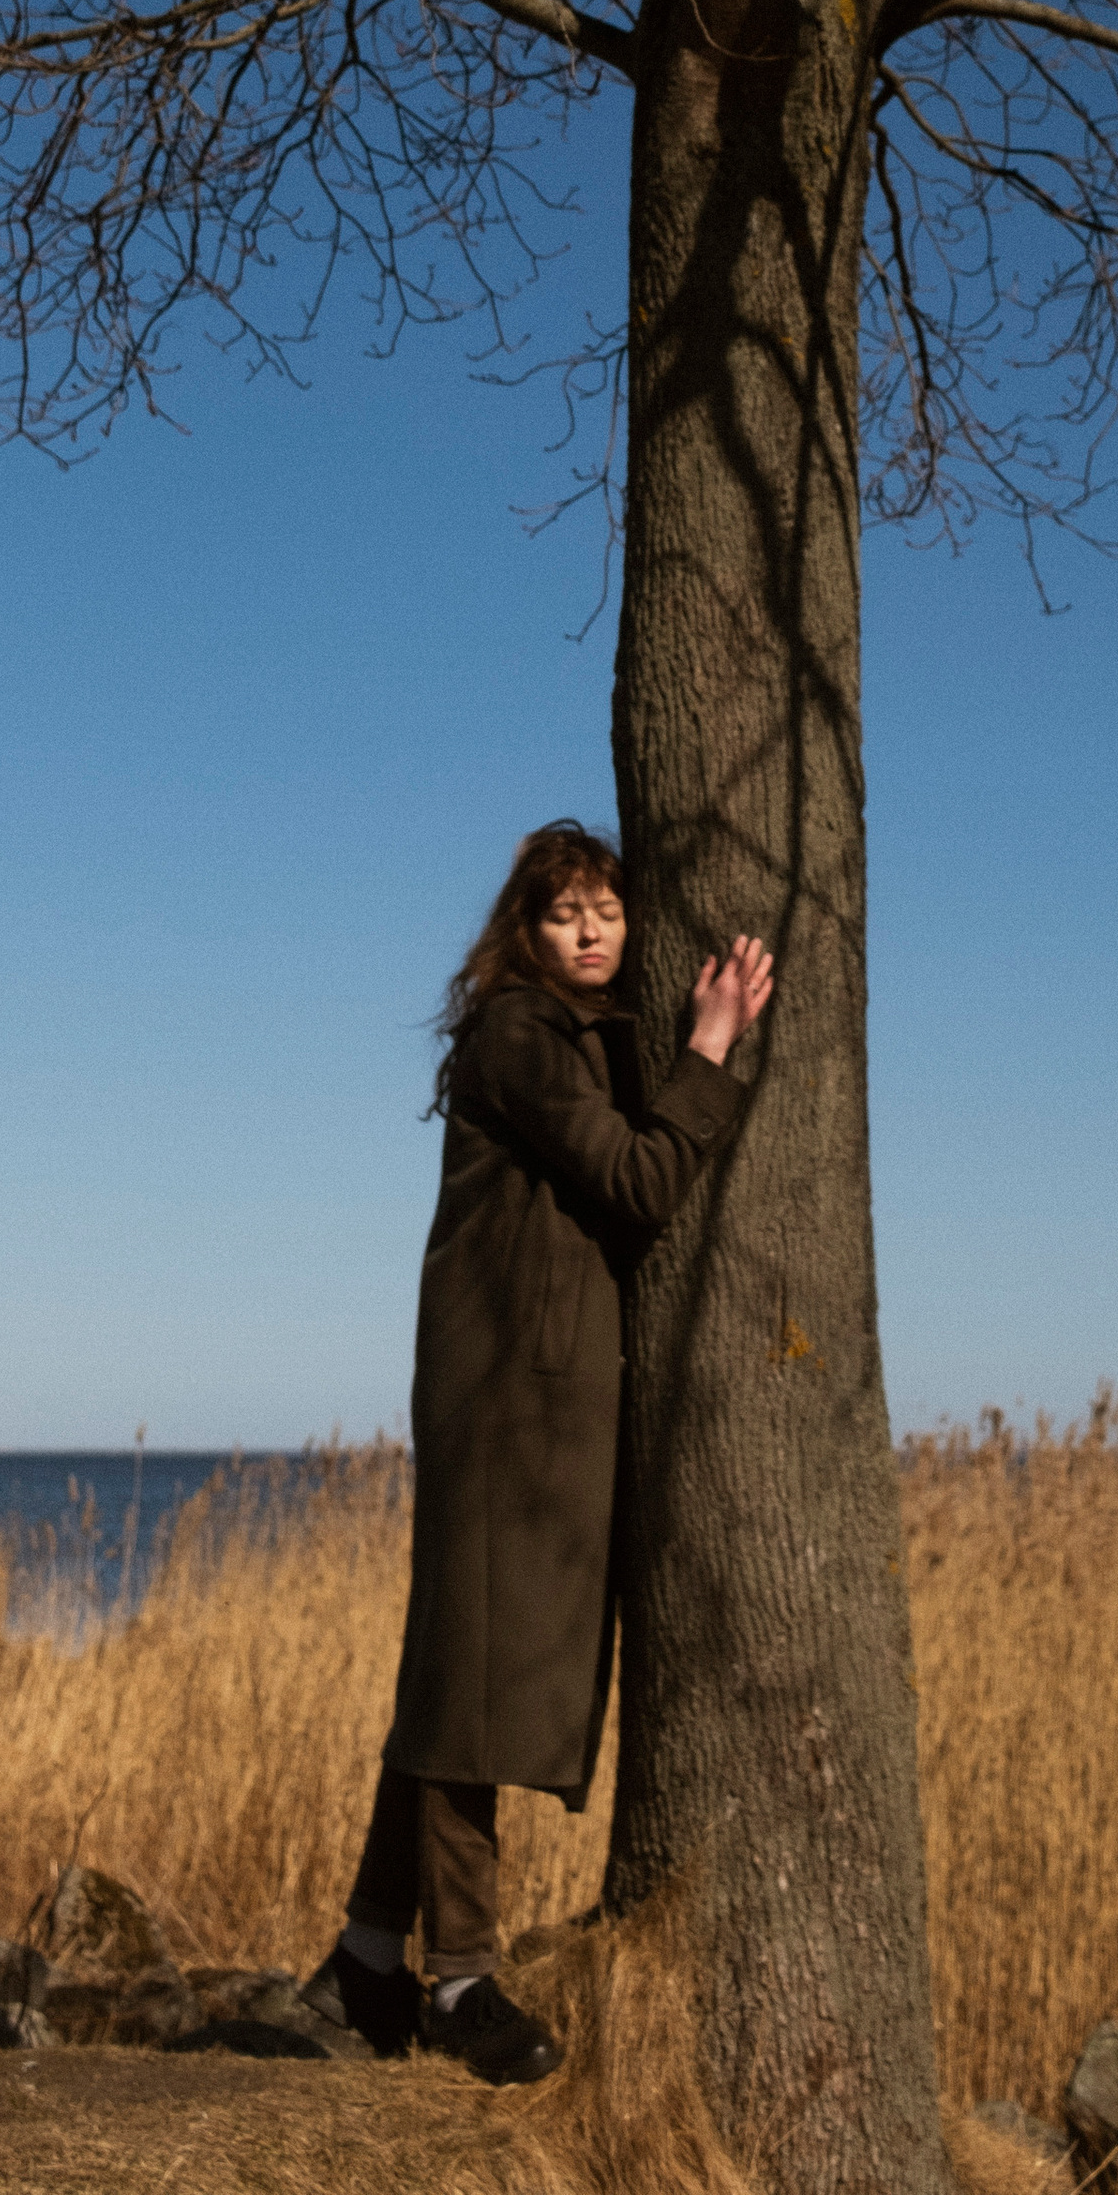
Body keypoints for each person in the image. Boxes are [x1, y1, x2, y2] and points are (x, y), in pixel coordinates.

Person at [300, 819, 775, 2086]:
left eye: (609, 908)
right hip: (509, 1405)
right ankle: (457, 1983)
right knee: (471, 1698)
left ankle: (362, 1959)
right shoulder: (521, 1035)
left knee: (457, 1680)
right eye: (566, 909)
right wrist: (712, 1051)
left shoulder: (586, 1039)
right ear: (526, 926)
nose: (591, 928)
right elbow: (634, 1180)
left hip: (532, 1402)